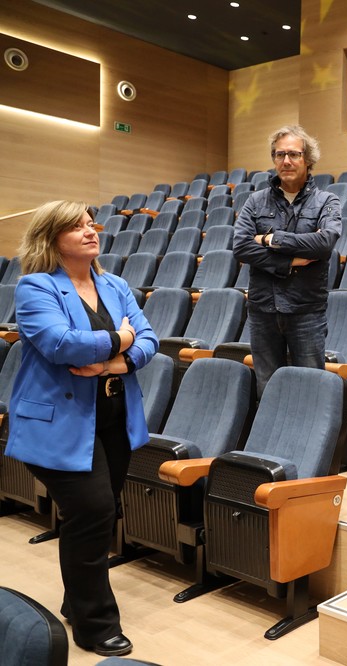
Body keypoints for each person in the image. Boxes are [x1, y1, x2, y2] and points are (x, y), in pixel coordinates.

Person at [5, 200, 159, 657]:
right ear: (52, 237)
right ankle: (95, 624)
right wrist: (122, 339)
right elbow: (60, 344)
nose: (91, 231)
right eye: (77, 226)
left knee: (99, 511)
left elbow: (150, 340)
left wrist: (113, 360)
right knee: (91, 510)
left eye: (91, 224)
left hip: (113, 418)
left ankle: (77, 601)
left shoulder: (115, 285)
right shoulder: (35, 287)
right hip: (58, 424)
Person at [233, 125, 341, 397]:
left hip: (306, 312)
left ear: (308, 159)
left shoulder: (327, 201)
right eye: (280, 154)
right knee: (267, 389)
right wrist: (291, 260)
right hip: (263, 311)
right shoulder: (255, 201)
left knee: (310, 389)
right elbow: (241, 247)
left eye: (293, 154)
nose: (286, 161)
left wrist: (270, 239)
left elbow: (325, 242)